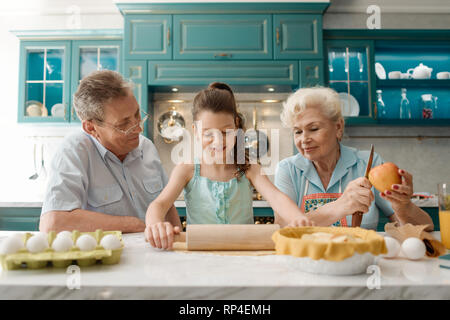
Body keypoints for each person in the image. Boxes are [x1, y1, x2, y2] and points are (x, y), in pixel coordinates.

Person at [145, 82, 313, 249]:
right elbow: (159, 205)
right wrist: (155, 226)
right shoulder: (186, 170)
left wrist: (297, 218)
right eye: (208, 133)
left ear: (237, 126)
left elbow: (277, 198)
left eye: (226, 132)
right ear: (196, 131)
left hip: (243, 256)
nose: (218, 141)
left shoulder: (250, 169)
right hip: (200, 258)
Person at [39, 70, 181, 233]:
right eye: (123, 125)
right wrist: (135, 225)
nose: (139, 128)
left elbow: (167, 207)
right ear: (91, 128)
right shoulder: (74, 151)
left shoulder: (146, 146)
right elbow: (53, 223)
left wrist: (179, 240)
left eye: (137, 115)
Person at [274, 86, 433, 231]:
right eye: (297, 132)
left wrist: (404, 207)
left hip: (360, 259)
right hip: (307, 260)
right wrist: (340, 206)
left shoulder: (368, 164)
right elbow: (283, 229)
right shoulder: (288, 169)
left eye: (313, 129)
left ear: (338, 127)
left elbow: (426, 228)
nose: (304, 139)